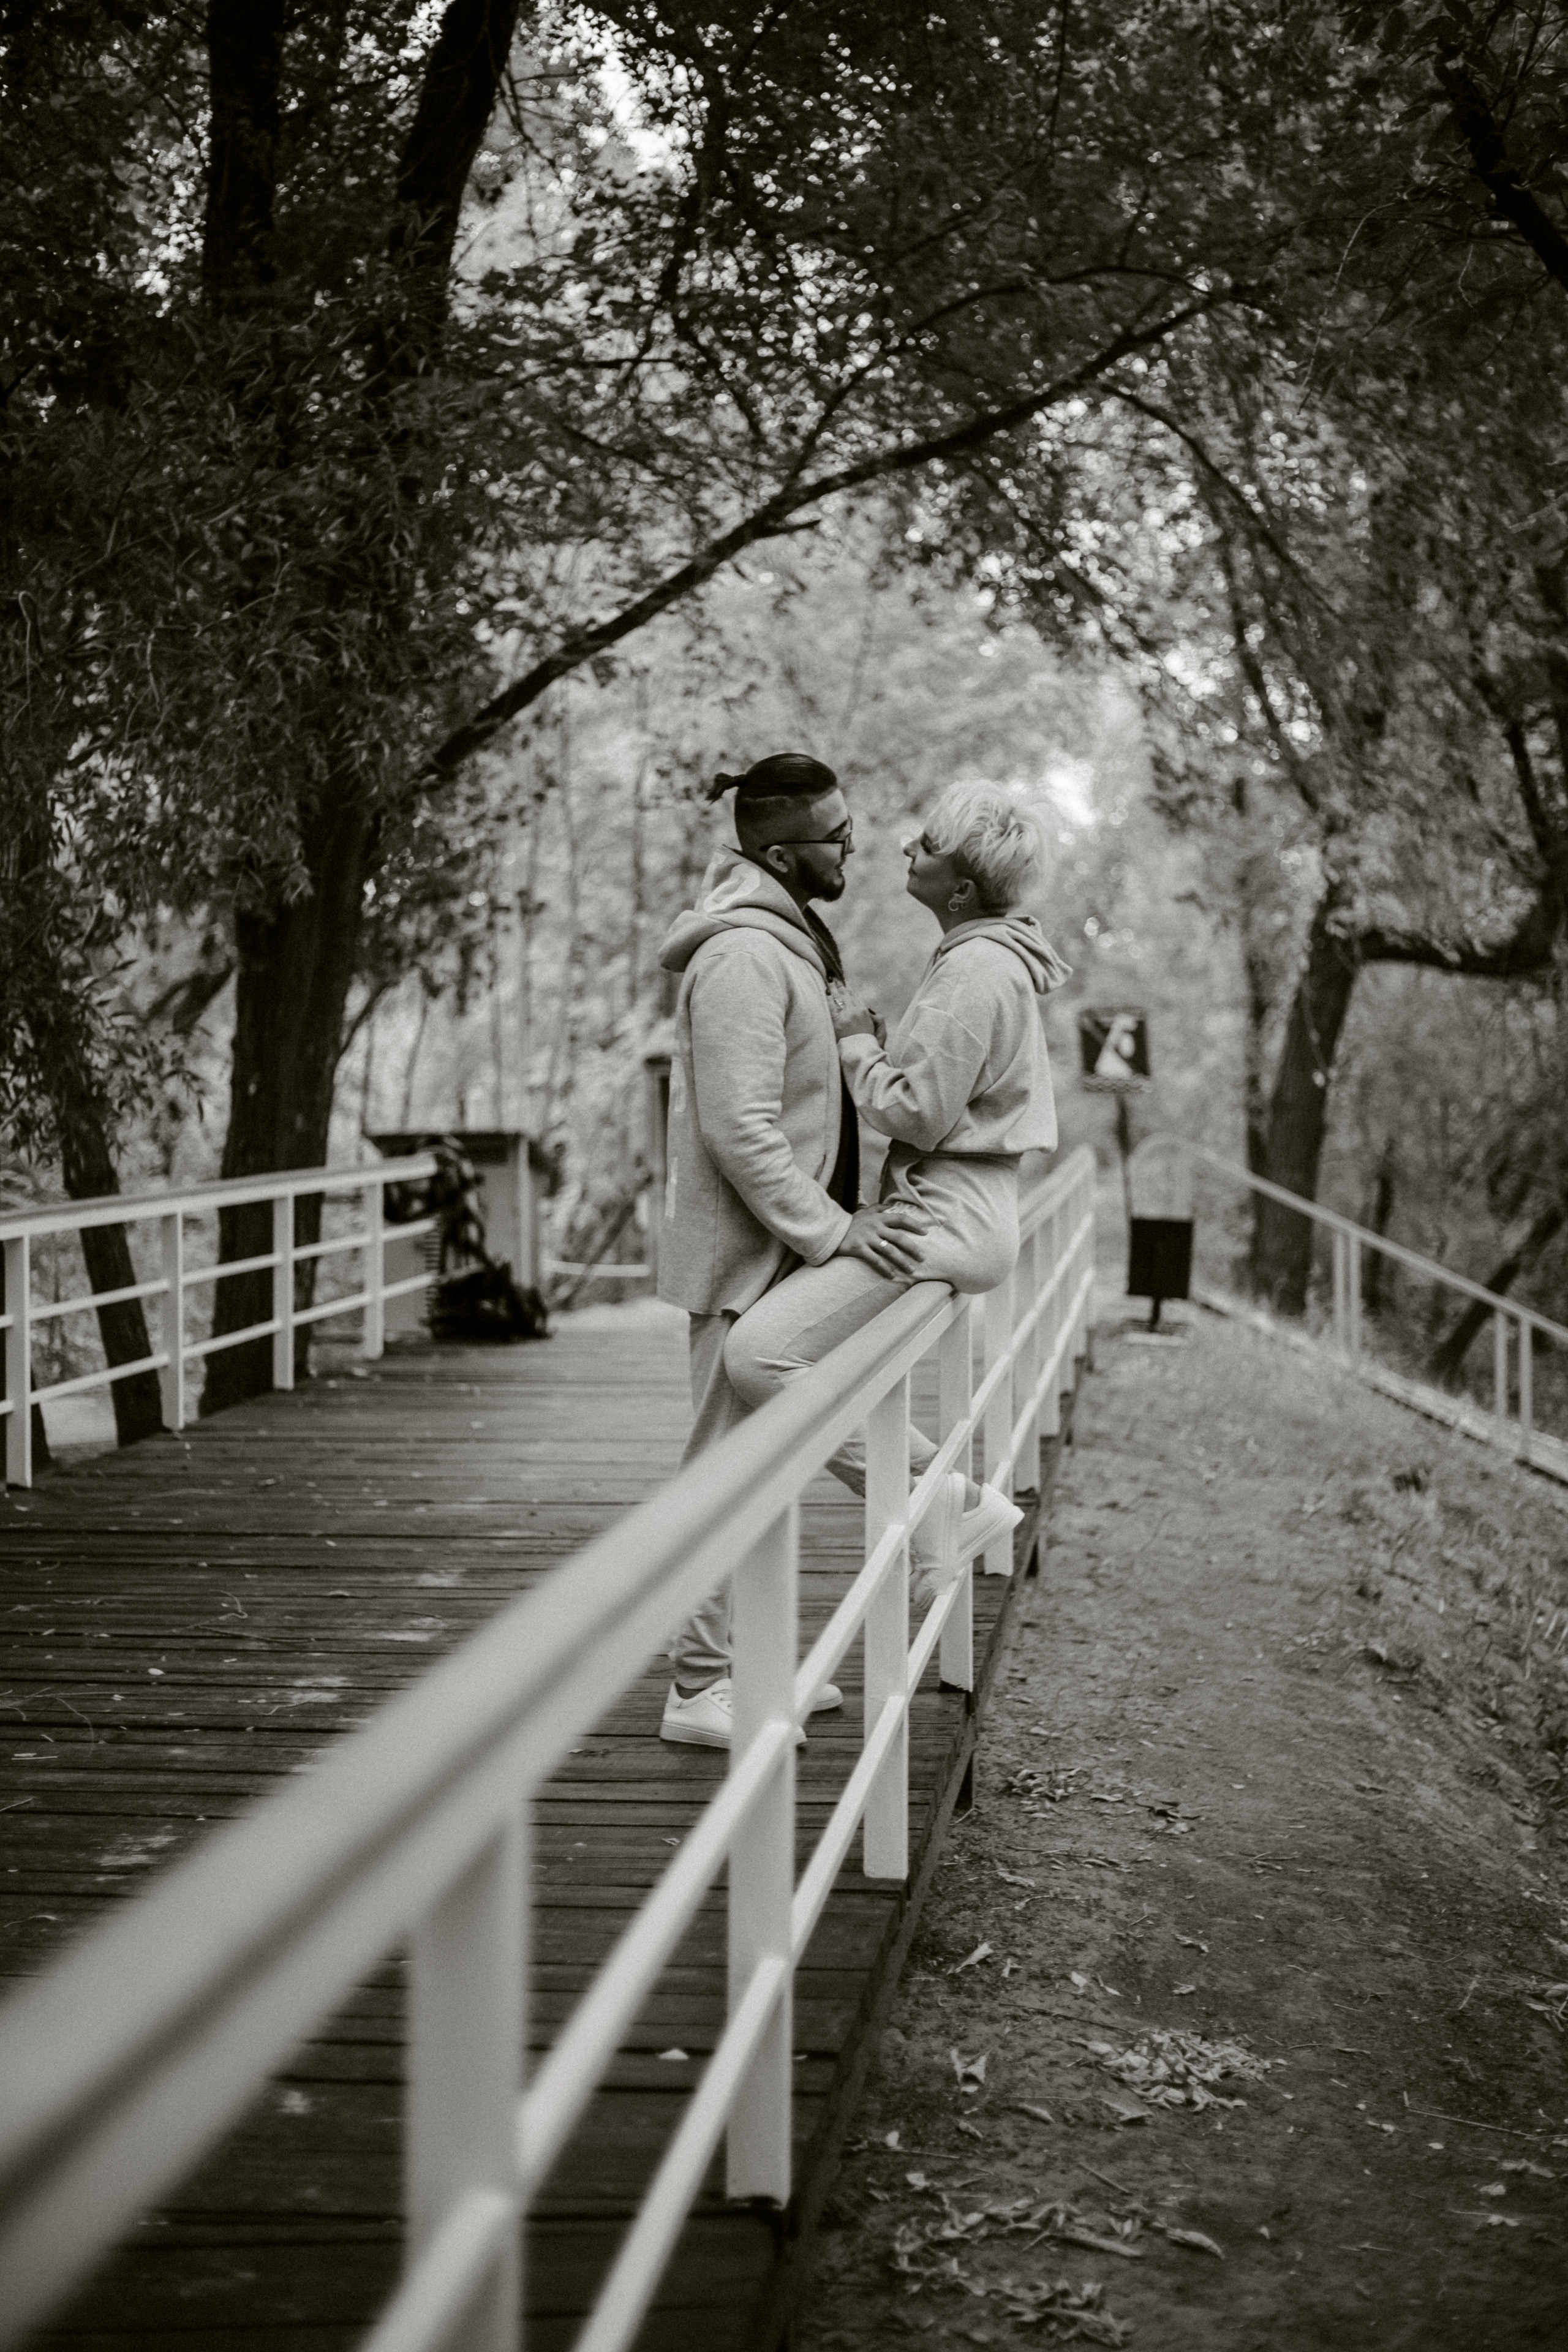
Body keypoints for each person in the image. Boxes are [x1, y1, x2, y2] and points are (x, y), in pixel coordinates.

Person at [723, 779, 1070, 1605]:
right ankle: (941, 1511)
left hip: (942, 1214)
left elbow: (916, 1112)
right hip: (964, 1207)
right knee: (840, 1366)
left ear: (961, 888)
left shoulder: (975, 969)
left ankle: (945, 1502)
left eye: (929, 845)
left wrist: (856, 1048)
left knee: (760, 1354)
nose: (907, 845)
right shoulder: (984, 958)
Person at [655, 752, 932, 1747]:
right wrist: (835, 1229)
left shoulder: (794, 942)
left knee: (764, 1467)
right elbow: (740, 1129)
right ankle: (698, 1688)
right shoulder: (743, 957)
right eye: (836, 836)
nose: (853, 848)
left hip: (783, 1251)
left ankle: (754, 1665)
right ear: (780, 853)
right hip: (744, 1257)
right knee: (722, 1471)